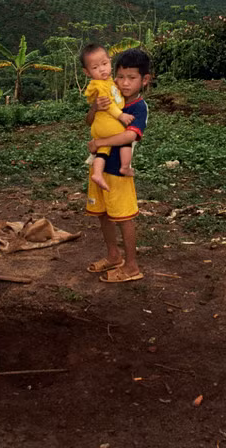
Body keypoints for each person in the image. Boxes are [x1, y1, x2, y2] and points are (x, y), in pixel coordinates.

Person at [84, 48, 151, 283]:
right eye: (120, 77)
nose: (124, 83)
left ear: (144, 80)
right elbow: (89, 121)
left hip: (118, 171)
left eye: (131, 78)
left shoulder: (138, 107)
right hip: (98, 167)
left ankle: (132, 266)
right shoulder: (111, 94)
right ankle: (113, 255)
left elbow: (130, 136)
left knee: (123, 217)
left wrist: (100, 142)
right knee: (103, 214)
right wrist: (95, 107)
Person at [81, 44, 135, 191]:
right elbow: (108, 105)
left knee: (103, 150)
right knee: (124, 137)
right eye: (95, 67)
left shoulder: (108, 82)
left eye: (104, 64)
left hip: (100, 126)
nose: (102, 69)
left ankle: (97, 173)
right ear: (87, 72)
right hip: (107, 123)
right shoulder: (99, 86)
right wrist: (121, 115)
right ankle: (125, 166)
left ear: (110, 61)